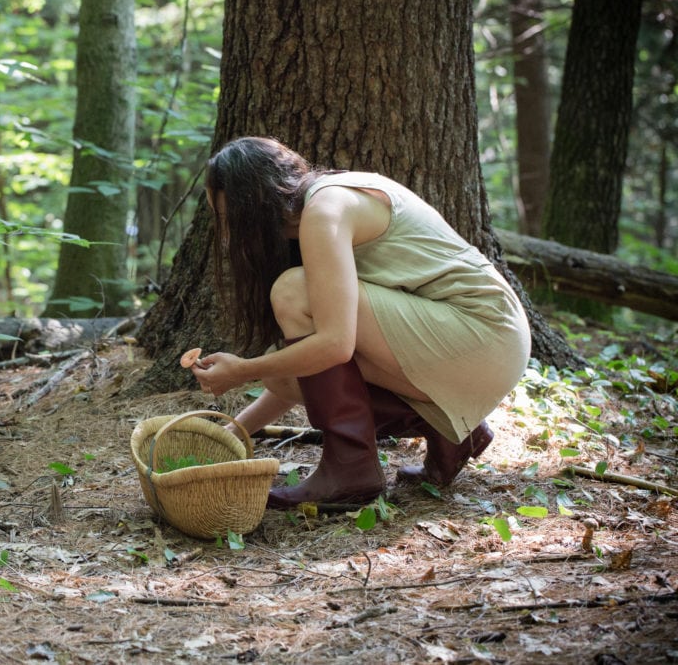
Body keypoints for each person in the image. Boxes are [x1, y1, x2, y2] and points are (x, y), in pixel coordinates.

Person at [188, 136, 531, 509]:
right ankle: (447, 428)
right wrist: (234, 433)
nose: (226, 235)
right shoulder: (319, 207)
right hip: (482, 345)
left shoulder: (325, 209)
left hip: (483, 332)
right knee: (283, 372)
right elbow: (319, 376)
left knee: (292, 292)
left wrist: (242, 371)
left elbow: (335, 346)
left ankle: (351, 469)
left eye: (228, 219)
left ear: (253, 204)